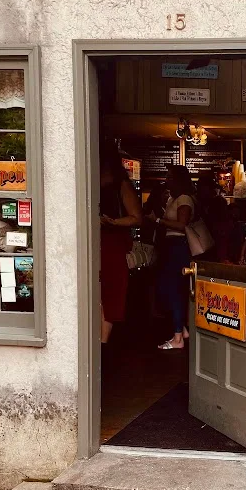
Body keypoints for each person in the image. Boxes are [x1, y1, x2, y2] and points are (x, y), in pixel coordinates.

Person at [99, 142, 142, 344]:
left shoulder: (121, 184)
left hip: (112, 242)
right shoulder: (88, 180)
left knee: (111, 293)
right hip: (96, 242)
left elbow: (136, 217)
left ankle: (102, 345)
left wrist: (113, 222)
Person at [151, 165, 195, 350]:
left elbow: (181, 225)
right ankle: (182, 329)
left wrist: (158, 220)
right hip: (170, 247)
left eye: (170, 177)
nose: (166, 180)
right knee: (166, 288)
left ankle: (178, 338)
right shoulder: (172, 198)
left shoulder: (184, 199)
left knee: (174, 289)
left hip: (179, 247)